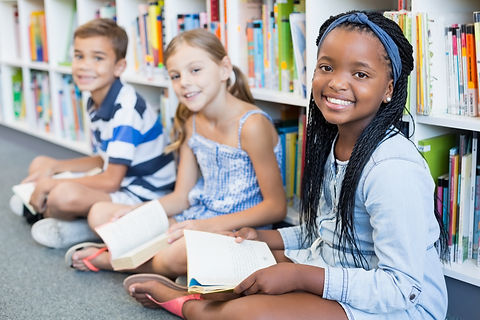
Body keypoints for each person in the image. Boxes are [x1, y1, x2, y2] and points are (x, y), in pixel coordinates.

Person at [123, 11, 449, 320]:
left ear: (389, 89)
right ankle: (200, 295)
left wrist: (298, 276)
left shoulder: (392, 169)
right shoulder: (336, 142)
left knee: (249, 313)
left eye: (360, 74)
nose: (336, 83)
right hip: (334, 266)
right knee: (236, 270)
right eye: (326, 67)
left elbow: (401, 289)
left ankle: (188, 305)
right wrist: (264, 239)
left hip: (399, 307)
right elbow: (326, 233)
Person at [67, 29, 286, 276]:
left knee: (176, 253)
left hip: (237, 229)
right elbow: (181, 197)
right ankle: (142, 255)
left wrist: (203, 226)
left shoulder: (252, 125)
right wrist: (139, 214)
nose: (184, 82)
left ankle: (107, 260)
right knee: (102, 213)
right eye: (175, 75)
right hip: (195, 215)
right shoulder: (191, 123)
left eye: (195, 70)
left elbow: (276, 207)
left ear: (224, 68)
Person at [14, 18, 176, 249]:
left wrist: (51, 184)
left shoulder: (126, 109)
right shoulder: (95, 99)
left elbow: (111, 180)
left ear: (119, 66)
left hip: (141, 193)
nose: (84, 66)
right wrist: (53, 169)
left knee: (62, 196)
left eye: (98, 58)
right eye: (79, 56)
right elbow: (104, 158)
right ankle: (50, 211)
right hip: (118, 179)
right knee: (41, 163)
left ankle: (80, 228)